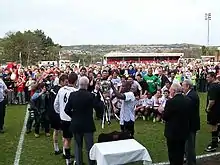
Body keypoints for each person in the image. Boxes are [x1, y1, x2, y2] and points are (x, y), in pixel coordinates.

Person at [64, 76, 96, 165]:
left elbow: (66, 109)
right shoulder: (91, 95)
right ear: (87, 84)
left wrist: (73, 116)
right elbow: (98, 107)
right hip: (88, 125)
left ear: (79, 84)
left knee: (78, 146)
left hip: (76, 124)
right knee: (90, 147)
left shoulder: (73, 95)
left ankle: (78, 163)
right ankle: (91, 163)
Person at [163, 83, 191, 165]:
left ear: (174, 91)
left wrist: (162, 110)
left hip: (172, 132)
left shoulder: (171, 102)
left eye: (170, 90)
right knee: (181, 152)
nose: (169, 91)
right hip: (184, 131)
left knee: (172, 153)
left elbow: (165, 117)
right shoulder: (188, 100)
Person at [54, 73, 78, 165]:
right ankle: (76, 160)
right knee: (76, 139)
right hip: (73, 119)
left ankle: (68, 161)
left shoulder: (61, 90)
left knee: (66, 139)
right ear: (76, 81)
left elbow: (56, 104)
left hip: (63, 118)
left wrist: (60, 113)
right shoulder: (76, 91)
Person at [49, 74, 68, 155]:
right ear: (61, 81)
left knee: (56, 131)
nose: (67, 84)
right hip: (59, 113)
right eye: (66, 82)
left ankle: (56, 149)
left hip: (53, 112)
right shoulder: (62, 90)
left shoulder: (53, 88)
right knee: (64, 133)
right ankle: (64, 151)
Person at [182, 80, 200, 165]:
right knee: (187, 145)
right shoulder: (190, 94)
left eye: (183, 86)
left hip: (191, 125)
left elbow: (188, 110)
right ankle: (189, 160)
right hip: (189, 124)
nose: (182, 88)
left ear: (188, 86)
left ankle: (191, 162)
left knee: (189, 146)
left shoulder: (191, 96)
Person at [205, 72, 220, 152]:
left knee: (213, 126)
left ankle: (214, 144)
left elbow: (212, 101)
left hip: (214, 110)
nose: (207, 79)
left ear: (213, 77)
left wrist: (208, 108)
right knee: (217, 124)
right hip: (218, 109)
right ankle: (218, 139)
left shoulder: (213, 87)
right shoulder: (218, 85)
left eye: (208, 77)